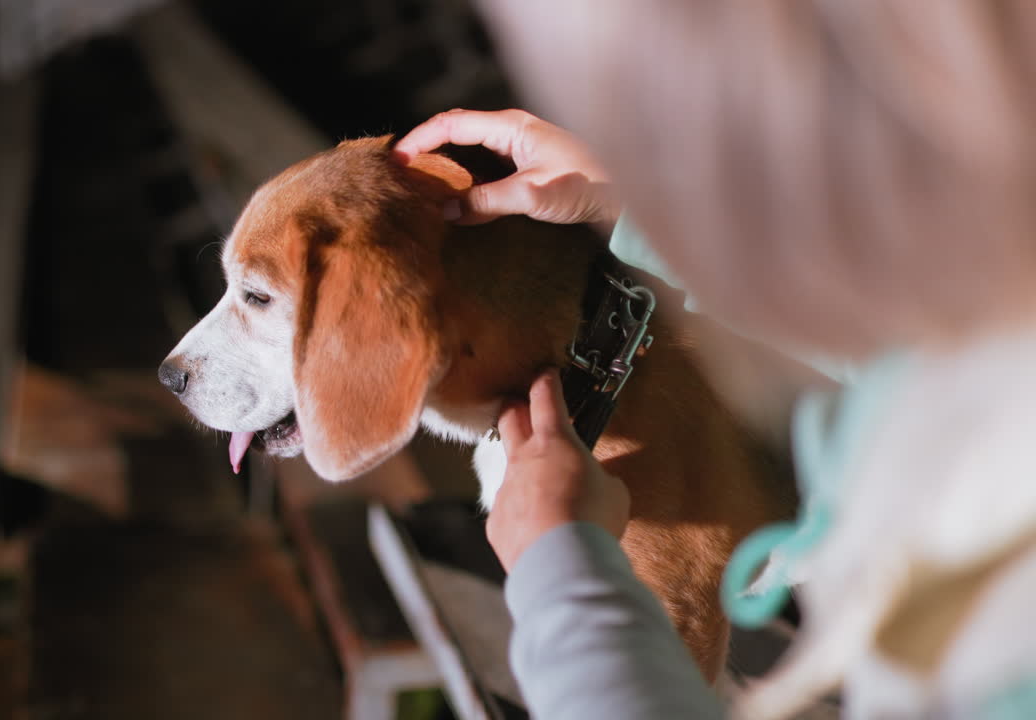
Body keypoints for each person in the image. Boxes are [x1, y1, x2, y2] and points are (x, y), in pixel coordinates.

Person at [393, 1, 1036, 714]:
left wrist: (563, 577)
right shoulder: (996, 323)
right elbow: (921, 340)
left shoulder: (1002, 642)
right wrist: (624, 202)